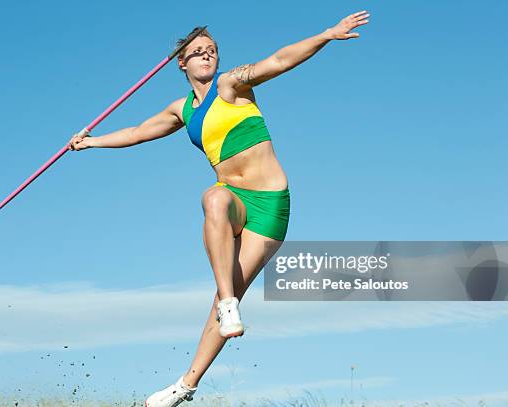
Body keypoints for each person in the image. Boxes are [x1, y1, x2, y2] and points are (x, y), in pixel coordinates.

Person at [68, 10, 370, 407]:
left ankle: (196, 363)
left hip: (269, 203)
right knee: (214, 197)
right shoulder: (182, 111)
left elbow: (278, 61)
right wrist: (91, 142)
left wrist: (326, 35)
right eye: (199, 51)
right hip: (232, 199)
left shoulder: (232, 85)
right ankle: (200, 360)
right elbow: (139, 132)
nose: (208, 55)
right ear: (182, 62)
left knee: (225, 279)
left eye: (212, 50)